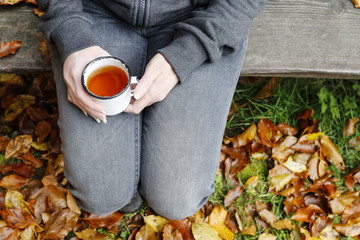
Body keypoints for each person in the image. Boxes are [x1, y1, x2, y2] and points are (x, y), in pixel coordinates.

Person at [36, 0, 267, 219]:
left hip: (201, 17)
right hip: (97, 13)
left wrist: (191, 49)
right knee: (101, 196)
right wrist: (71, 33)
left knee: (177, 200)